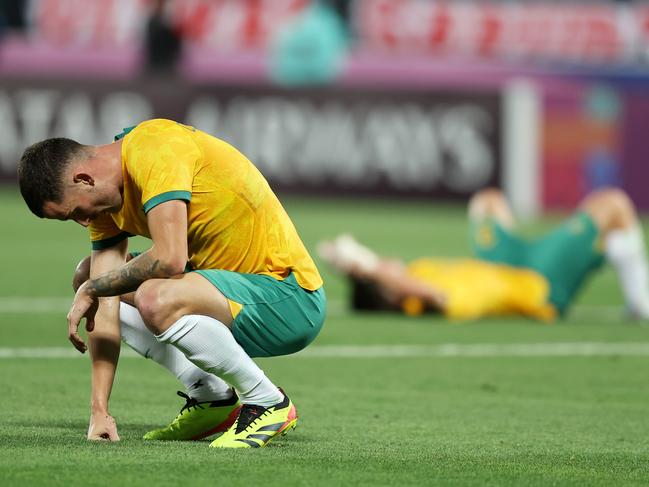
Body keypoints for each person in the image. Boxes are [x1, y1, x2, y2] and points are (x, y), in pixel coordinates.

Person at [17, 119, 326, 448]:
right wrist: (100, 411)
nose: (83, 221)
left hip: (288, 298)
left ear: (84, 179)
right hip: (224, 294)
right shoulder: (104, 201)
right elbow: (104, 300)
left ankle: (267, 401)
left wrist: (93, 289)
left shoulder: (154, 147)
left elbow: (169, 259)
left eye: (74, 212)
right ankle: (210, 395)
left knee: (152, 294)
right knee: (87, 273)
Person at [318, 188, 649, 322]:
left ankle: (613, 250)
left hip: (505, 264)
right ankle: (641, 303)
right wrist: (368, 267)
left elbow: (393, 280)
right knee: (614, 205)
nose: (386, 260)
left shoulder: (417, 270)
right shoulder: (426, 298)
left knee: (487, 200)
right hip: (538, 283)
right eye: (382, 269)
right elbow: (418, 290)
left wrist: (354, 267)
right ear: (391, 291)